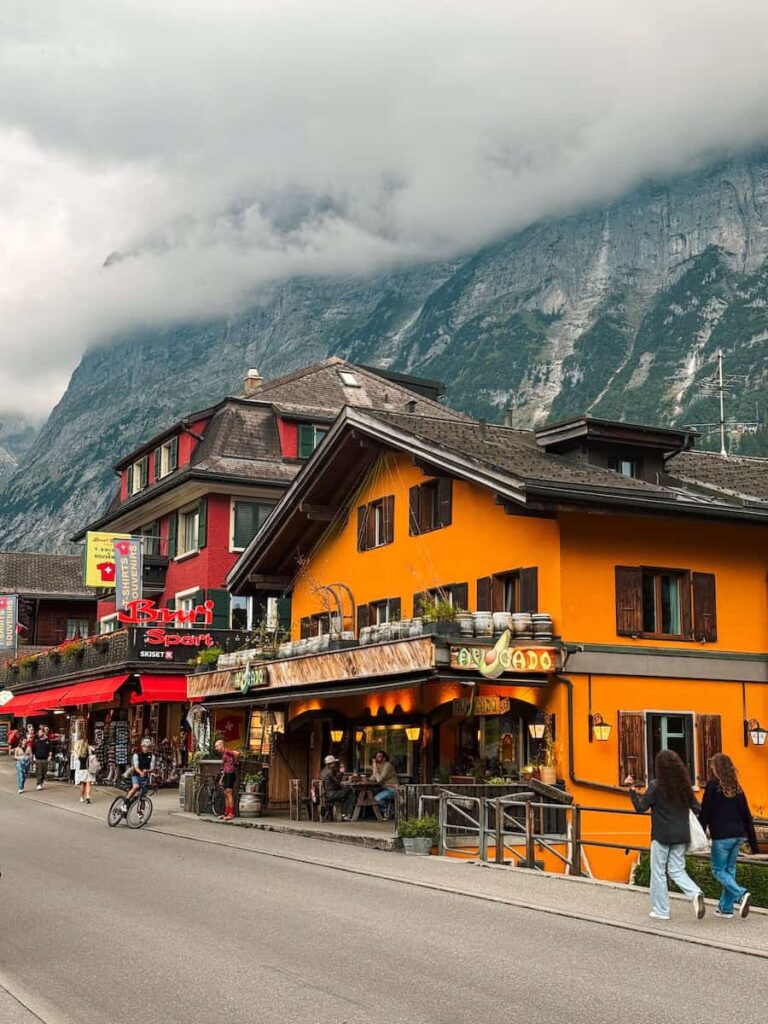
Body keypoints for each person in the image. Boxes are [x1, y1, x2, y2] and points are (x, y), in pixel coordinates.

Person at [625, 749, 705, 921]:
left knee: (658, 872)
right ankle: (695, 893)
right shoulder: (685, 787)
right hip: (682, 835)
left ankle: (661, 910)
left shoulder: (655, 785)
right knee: (677, 870)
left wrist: (632, 790)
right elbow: (698, 808)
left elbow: (641, 807)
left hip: (661, 835)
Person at [699, 753, 758, 919]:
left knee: (718, 870)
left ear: (716, 768)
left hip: (722, 836)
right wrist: (753, 843)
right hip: (738, 835)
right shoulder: (737, 787)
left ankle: (741, 894)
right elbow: (747, 815)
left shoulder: (712, 786)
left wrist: (700, 833)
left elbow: (705, 812)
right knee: (729, 870)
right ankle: (726, 909)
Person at [122, 738, 155, 814]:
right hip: (136, 775)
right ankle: (125, 803)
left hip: (145, 777)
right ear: (141, 747)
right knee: (136, 787)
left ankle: (140, 814)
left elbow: (152, 768)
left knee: (143, 797)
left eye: (147, 747)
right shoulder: (136, 755)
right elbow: (136, 767)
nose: (146, 749)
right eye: (144, 747)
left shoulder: (152, 756)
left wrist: (148, 771)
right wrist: (140, 772)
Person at [319, 755, 356, 820]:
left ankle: (345, 813)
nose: (335, 764)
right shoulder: (330, 772)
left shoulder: (324, 771)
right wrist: (341, 773)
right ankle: (345, 813)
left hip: (327, 793)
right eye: (334, 763)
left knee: (348, 793)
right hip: (332, 794)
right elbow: (337, 782)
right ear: (331, 764)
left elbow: (333, 782)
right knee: (350, 791)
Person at [214, 738, 240, 821]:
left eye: (217, 746)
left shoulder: (227, 751)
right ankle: (226, 812)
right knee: (225, 793)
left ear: (221, 745)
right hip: (226, 774)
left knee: (229, 793)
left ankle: (231, 813)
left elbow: (237, 753)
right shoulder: (223, 753)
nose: (216, 748)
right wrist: (222, 778)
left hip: (230, 773)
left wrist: (235, 763)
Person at [370, 751, 399, 820]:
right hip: (385, 788)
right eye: (376, 757)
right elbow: (373, 778)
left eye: (379, 757)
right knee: (371, 794)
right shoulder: (379, 766)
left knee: (377, 798)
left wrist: (374, 766)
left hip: (393, 789)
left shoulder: (387, 766)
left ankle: (387, 811)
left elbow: (379, 779)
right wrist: (366, 779)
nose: (377, 758)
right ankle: (386, 811)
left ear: (384, 758)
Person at [74, 738, 96, 804]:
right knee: (89, 783)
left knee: (82, 784)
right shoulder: (88, 750)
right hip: (89, 769)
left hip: (81, 770)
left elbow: (76, 758)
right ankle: (88, 795)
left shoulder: (79, 751)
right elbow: (94, 751)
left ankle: (81, 797)